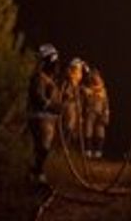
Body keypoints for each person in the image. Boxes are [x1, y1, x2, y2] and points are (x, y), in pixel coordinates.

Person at [26, 43, 62, 184]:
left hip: (48, 119)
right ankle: (36, 173)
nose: (56, 66)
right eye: (54, 62)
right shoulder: (39, 78)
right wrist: (52, 106)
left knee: (43, 148)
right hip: (39, 118)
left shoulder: (50, 79)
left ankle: (36, 173)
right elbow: (38, 96)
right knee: (42, 148)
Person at [81, 64, 110, 159]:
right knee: (88, 131)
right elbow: (82, 101)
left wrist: (106, 113)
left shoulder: (103, 90)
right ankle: (88, 151)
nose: (96, 78)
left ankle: (98, 152)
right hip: (89, 112)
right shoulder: (86, 89)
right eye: (94, 76)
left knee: (100, 132)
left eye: (97, 76)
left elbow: (106, 102)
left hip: (100, 113)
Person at [60, 57, 86, 147]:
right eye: (79, 70)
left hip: (75, 106)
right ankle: (64, 145)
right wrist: (72, 97)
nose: (81, 73)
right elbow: (65, 94)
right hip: (69, 106)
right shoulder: (69, 82)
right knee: (69, 126)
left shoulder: (76, 83)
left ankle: (69, 145)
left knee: (74, 126)